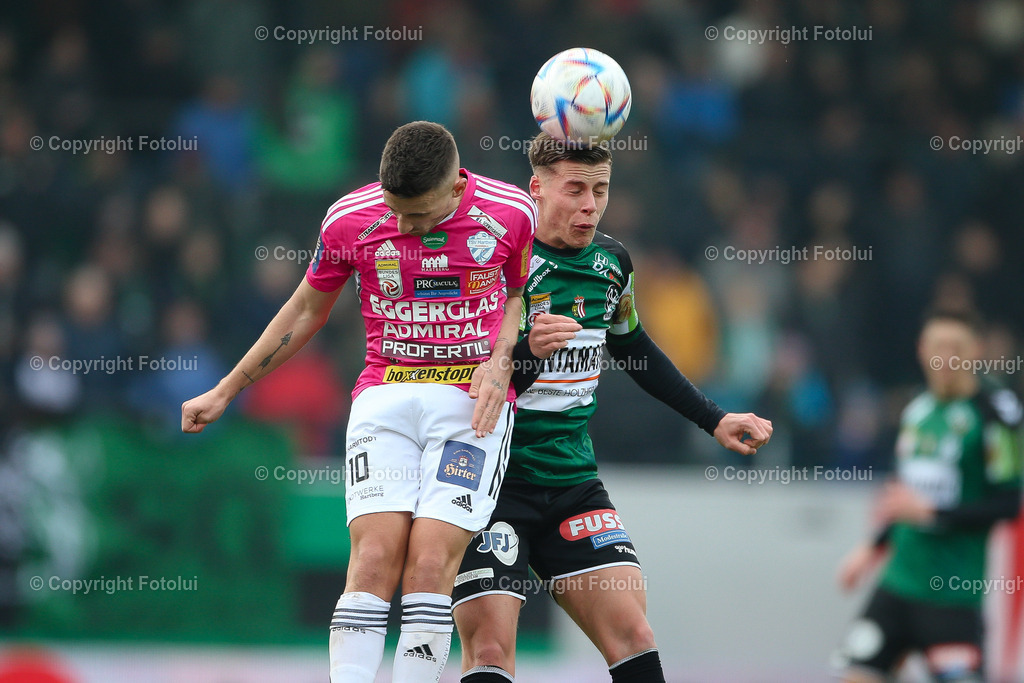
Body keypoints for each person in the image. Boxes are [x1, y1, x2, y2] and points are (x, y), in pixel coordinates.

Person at [180, 121, 536, 683]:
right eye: (395, 210)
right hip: (385, 396)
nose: (403, 225)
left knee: (427, 565)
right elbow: (304, 310)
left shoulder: (510, 211)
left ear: (454, 185)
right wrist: (227, 388)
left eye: (417, 214)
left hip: (470, 407)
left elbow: (519, 294)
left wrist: (501, 358)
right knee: (371, 562)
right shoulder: (350, 219)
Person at [451, 133, 774, 683]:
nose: (589, 205)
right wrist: (526, 354)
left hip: (572, 482)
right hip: (489, 483)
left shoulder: (611, 263)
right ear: (537, 188)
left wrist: (713, 417)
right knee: (488, 653)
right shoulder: (498, 262)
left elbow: (633, 346)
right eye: (575, 189)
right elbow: (464, 378)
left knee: (635, 636)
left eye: (600, 191)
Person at [834, 310, 1023, 682]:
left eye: (957, 347)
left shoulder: (995, 416)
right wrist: (871, 548)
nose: (947, 357)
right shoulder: (916, 412)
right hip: (896, 587)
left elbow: (1009, 503)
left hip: (952, 597)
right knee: (854, 675)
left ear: (976, 351)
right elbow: (904, 498)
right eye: (939, 346)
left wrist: (933, 513)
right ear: (923, 350)